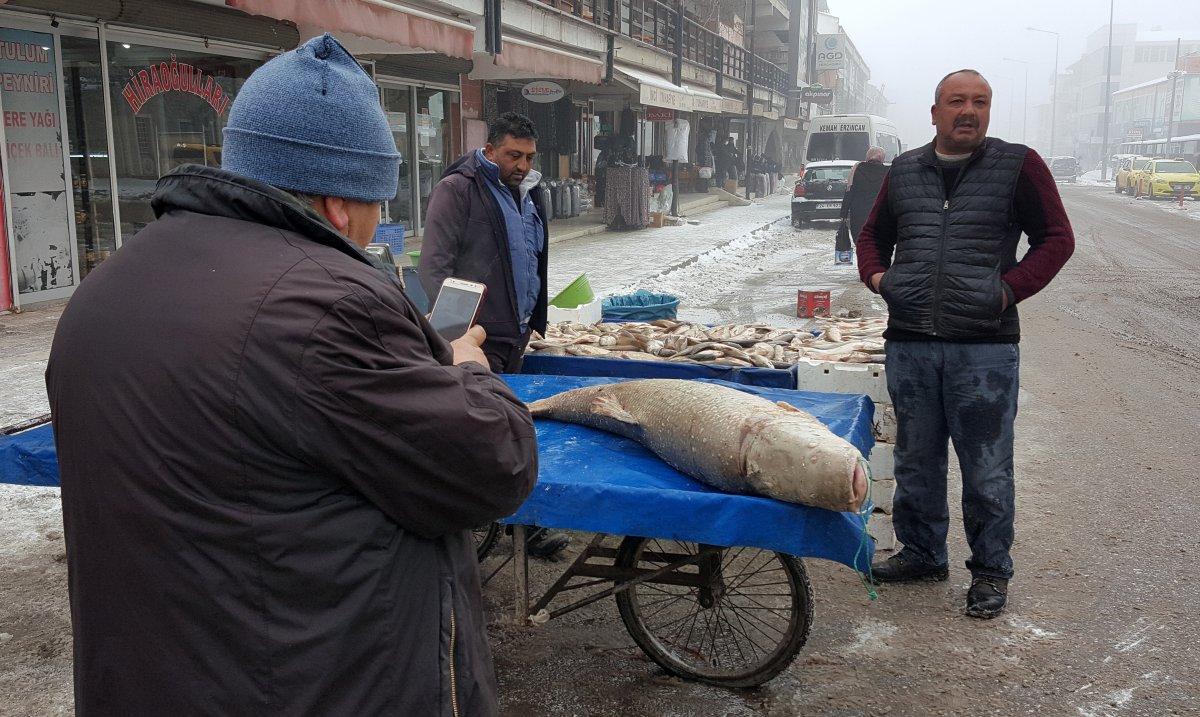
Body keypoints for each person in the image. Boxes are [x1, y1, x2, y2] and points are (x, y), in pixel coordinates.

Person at [46, 34, 538, 714]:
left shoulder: (103, 291)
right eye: (375, 206)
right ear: (340, 204)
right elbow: (495, 461)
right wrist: (470, 371)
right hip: (302, 685)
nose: (371, 228)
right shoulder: (328, 306)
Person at [856, 69, 1075, 619]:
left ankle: (991, 572)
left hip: (985, 348)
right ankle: (924, 553)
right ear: (935, 112)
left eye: (979, 102)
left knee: (986, 468)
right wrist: (882, 280)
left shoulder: (1018, 164)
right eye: (957, 101)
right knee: (916, 461)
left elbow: (1056, 239)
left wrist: (1006, 292)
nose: (968, 111)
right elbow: (872, 236)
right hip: (911, 343)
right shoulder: (905, 170)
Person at [419, 112, 569, 559]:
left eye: (528, 157)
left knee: (512, 431)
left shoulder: (529, 192)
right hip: (479, 338)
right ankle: (481, 522)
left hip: (518, 332)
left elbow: (532, 259)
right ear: (489, 150)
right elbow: (434, 268)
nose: (522, 165)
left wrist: (534, 318)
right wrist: (458, 335)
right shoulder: (459, 189)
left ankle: (518, 521)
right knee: (487, 435)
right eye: (512, 155)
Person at [836, 146, 889, 264]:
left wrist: (843, 214)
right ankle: (877, 266)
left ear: (867, 157)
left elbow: (849, 192)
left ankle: (865, 266)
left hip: (859, 215)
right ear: (882, 158)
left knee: (862, 242)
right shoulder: (887, 172)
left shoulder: (857, 169)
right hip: (880, 215)